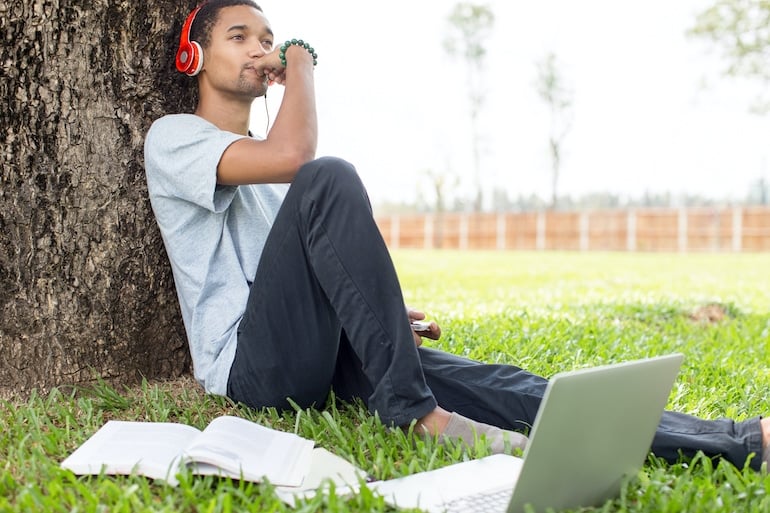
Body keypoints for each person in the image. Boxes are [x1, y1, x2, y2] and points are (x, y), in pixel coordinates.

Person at [144, 0, 770, 470]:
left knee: (505, 386)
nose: (261, 48)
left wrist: (378, 313)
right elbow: (301, 156)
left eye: (270, 38)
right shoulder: (174, 139)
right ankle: (415, 414)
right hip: (252, 372)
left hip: (320, 354)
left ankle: (739, 441)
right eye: (240, 36)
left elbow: (305, 267)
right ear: (194, 56)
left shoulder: (269, 165)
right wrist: (301, 59)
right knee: (330, 176)